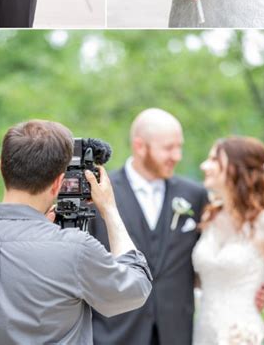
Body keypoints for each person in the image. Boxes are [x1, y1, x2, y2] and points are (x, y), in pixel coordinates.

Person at [0, 120, 152, 345]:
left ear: (1, 167)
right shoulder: (74, 250)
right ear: (58, 183)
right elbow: (136, 289)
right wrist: (110, 209)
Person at [89, 108, 209, 345]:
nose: (177, 155)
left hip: (176, 334)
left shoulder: (194, 195)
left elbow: (207, 258)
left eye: (179, 146)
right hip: (116, 334)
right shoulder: (98, 193)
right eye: (168, 148)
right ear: (140, 146)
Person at [193, 136, 264, 344]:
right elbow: (203, 278)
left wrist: (263, 336)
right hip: (203, 333)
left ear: (235, 168)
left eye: (214, 159)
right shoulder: (208, 217)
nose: (205, 165)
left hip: (243, 335)